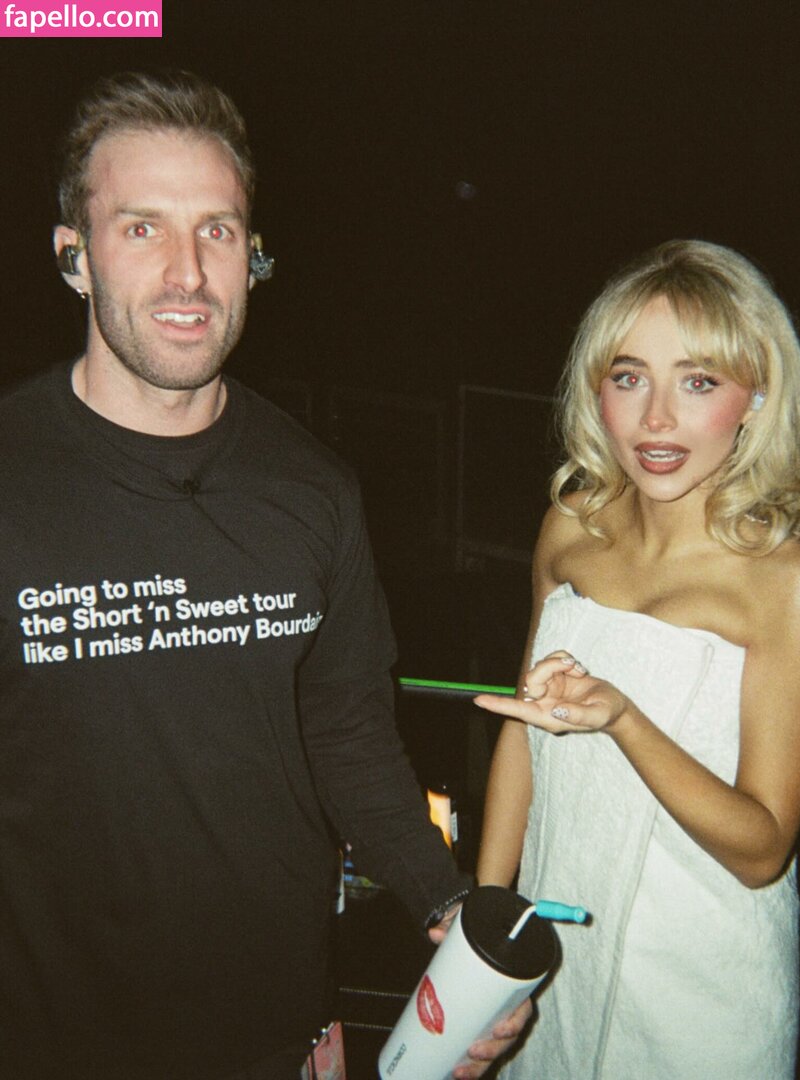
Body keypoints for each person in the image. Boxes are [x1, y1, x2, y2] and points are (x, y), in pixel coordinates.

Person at [0, 70, 527, 1079]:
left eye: (219, 230)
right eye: (142, 228)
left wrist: (447, 905)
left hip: (273, 1036)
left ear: (254, 256)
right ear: (74, 257)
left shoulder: (314, 488)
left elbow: (346, 728)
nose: (189, 273)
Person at [474, 239, 800, 1078]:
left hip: (700, 988)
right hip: (555, 957)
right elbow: (525, 733)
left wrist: (623, 717)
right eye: (628, 378)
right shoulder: (571, 526)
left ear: (757, 397)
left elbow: (763, 848)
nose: (656, 419)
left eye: (698, 382)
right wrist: (485, 922)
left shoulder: (787, 582)